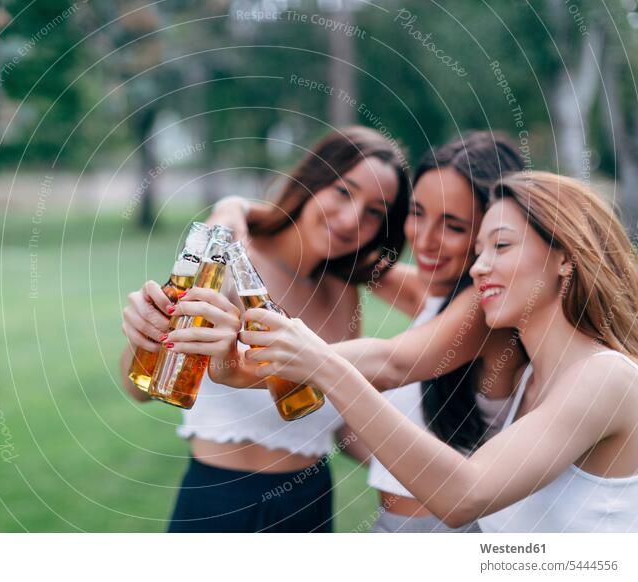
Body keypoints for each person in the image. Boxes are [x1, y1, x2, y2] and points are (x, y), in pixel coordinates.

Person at [239, 171, 638, 532]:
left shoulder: (605, 378)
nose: (479, 267)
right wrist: (235, 355)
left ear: (565, 257)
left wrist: (327, 367)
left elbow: (464, 496)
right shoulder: (529, 380)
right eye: (479, 251)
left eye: (501, 245)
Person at [209, 132, 527, 532]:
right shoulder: (434, 288)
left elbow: (391, 363)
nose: (425, 240)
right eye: (418, 212)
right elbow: (343, 243)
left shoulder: (482, 307)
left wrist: (251, 364)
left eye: (454, 225)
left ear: (489, 231)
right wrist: (232, 208)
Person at [119, 126, 410, 532]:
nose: (351, 219)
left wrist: (420, 462)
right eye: (344, 192)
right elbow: (140, 387)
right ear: (312, 183)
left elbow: (337, 413)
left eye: (375, 211)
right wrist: (143, 333)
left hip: (312, 505)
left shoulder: (344, 293)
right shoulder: (228, 266)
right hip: (222, 503)